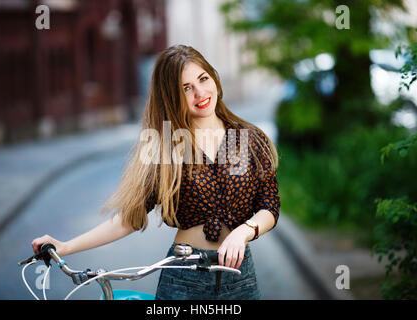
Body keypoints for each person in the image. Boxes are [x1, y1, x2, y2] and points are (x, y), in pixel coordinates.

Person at [31, 45, 280, 300]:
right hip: (184, 278)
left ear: (213, 77)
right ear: (171, 97)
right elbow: (130, 218)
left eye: (203, 79)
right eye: (186, 88)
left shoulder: (245, 138)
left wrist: (244, 231)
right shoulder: (167, 145)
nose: (200, 92)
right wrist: (66, 246)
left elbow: (269, 206)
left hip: (240, 278)